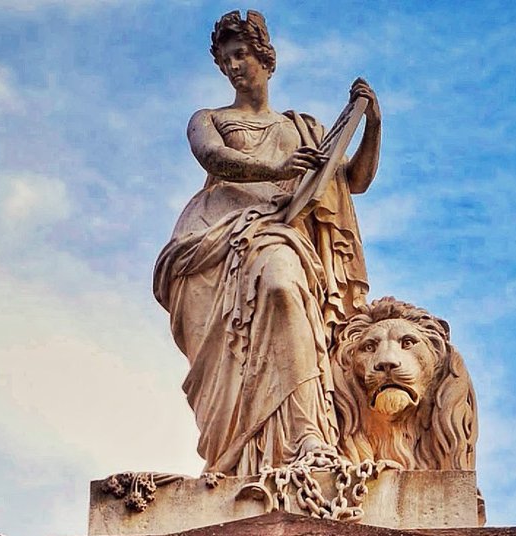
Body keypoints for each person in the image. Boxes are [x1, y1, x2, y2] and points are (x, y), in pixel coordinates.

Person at [153, 9, 380, 475]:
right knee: (224, 360)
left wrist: (372, 124)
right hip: (210, 241)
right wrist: (275, 170)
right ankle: (233, 450)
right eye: (225, 59)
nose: (234, 66)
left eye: (241, 55)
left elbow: (352, 180)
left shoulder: (304, 130)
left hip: (278, 235)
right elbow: (212, 155)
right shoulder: (208, 118)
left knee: (281, 286)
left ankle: (306, 435)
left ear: (264, 57)